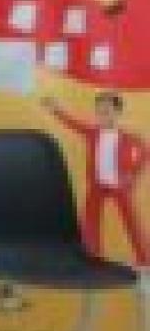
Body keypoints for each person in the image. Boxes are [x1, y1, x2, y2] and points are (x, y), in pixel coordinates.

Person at [44, 91, 150, 265]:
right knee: (90, 219)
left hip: (119, 185)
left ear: (117, 112)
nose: (103, 115)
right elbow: (72, 123)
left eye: (107, 111)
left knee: (132, 222)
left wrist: (133, 174)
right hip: (97, 184)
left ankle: (145, 261)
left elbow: (145, 152)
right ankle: (93, 256)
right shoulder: (93, 133)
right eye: (100, 111)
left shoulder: (128, 136)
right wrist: (55, 109)